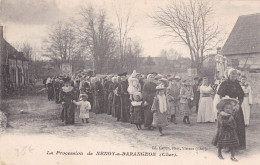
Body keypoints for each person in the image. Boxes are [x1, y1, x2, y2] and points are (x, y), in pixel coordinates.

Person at [217, 68, 246, 149]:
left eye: (235, 74)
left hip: (236, 107)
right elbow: (221, 96)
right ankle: (226, 146)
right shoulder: (224, 83)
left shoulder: (237, 84)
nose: (234, 76)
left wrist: (238, 105)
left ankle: (238, 145)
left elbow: (241, 97)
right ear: (228, 75)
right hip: (226, 106)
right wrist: (227, 105)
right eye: (232, 74)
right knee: (227, 125)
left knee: (238, 125)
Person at [212, 97, 240, 162]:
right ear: (223, 109)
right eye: (226, 108)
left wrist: (232, 122)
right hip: (223, 132)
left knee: (232, 145)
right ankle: (219, 153)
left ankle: (232, 156)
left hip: (231, 132)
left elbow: (235, 125)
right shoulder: (221, 115)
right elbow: (222, 123)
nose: (228, 110)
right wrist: (229, 121)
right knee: (220, 143)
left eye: (230, 108)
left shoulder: (231, 116)